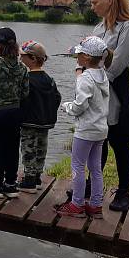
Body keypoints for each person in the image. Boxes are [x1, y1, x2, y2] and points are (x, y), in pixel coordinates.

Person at [89, 0, 129, 211]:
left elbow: (117, 66)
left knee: (119, 142)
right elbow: (88, 57)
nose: (92, 6)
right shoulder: (97, 29)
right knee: (97, 141)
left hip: (116, 91)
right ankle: (94, 187)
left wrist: (91, 75)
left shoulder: (128, 29)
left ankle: (124, 193)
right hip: (96, 89)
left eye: (95, 2)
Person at [55, 36, 112, 218]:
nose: (76, 56)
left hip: (85, 131)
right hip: (101, 130)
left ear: (86, 58)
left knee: (78, 166)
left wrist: (67, 106)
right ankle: (95, 205)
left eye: (79, 53)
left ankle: (77, 204)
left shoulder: (86, 78)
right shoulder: (103, 75)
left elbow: (80, 106)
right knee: (95, 168)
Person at [0, 27, 29, 199]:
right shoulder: (22, 68)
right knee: (11, 148)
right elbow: (25, 93)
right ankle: (10, 183)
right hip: (15, 113)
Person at [17, 40, 61, 193]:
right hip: (44, 123)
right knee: (41, 149)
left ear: (33, 59)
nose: (20, 58)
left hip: (29, 122)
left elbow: (21, 99)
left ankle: (28, 181)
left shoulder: (26, 79)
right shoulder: (49, 80)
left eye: (23, 56)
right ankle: (37, 177)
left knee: (28, 150)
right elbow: (57, 98)